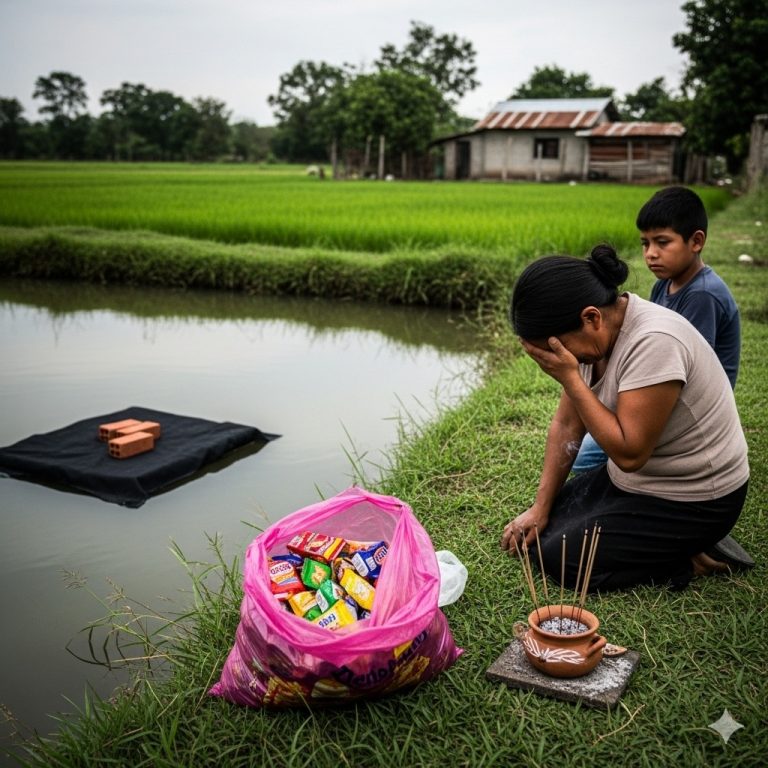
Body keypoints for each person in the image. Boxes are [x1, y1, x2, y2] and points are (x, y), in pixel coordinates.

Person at [500, 244, 751, 592]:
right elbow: (567, 425)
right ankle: (673, 545)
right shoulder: (596, 340)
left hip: (696, 498)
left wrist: (570, 378)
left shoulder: (654, 342)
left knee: (563, 559)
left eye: (556, 349)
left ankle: (694, 558)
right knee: (545, 527)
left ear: (591, 318)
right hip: (644, 481)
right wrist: (539, 507)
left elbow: (631, 454)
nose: (555, 361)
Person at [572, 186, 741, 474]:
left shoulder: (702, 295)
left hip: (692, 405)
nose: (651, 254)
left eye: (662, 242)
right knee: (585, 445)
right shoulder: (664, 283)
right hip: (663, 381)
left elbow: (691, 368)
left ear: (696, 241)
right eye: (645, 243)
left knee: (584, 459)